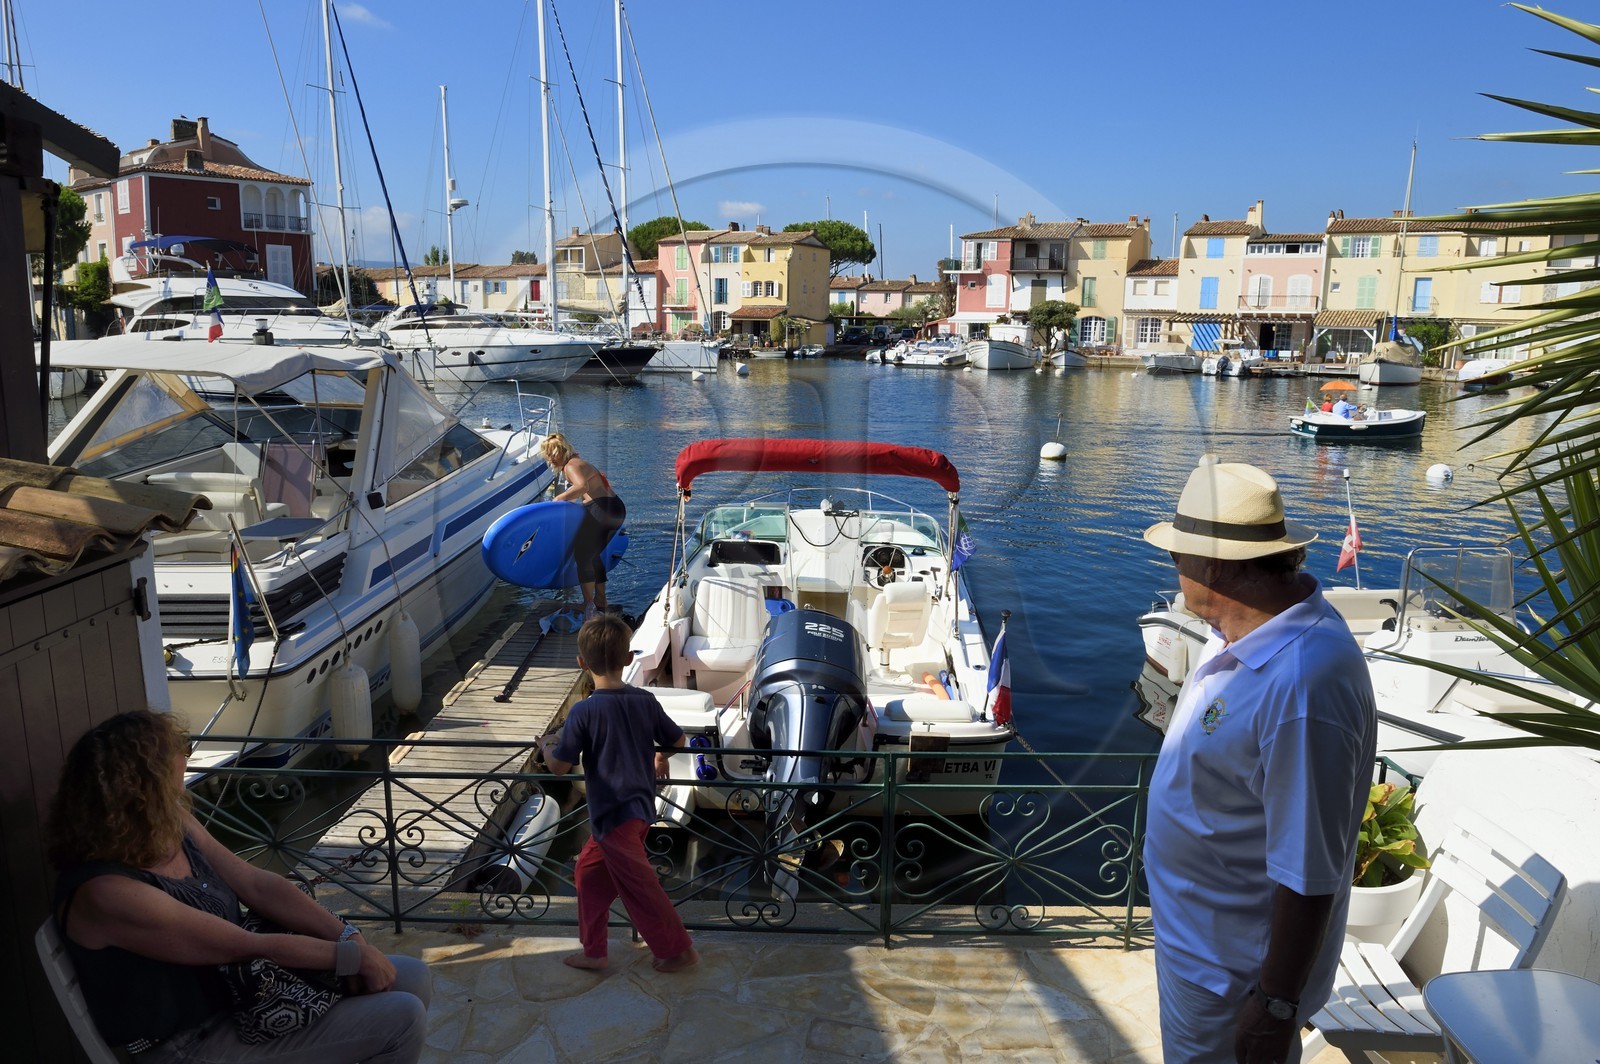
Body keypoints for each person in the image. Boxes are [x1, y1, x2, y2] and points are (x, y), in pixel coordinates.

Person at [1142, 456, 1376, 1064]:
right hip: (1199, 950)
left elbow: (1309, 871)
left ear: (1214, 564)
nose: (1173, 565)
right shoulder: (1242, 636)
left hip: (1231, 977)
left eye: (1176, 555)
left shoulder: (1303, 684)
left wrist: (1274, 1005)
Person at [46, 709, 432, 1062]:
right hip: (188, 1044)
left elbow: (257, 884)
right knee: (401, 1018)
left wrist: (349, 935)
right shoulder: (107, 892)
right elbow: (246, 946)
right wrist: (349, 957)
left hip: (243, 999)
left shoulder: (167, 825)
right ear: (143, 787)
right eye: (176, 758)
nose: (187, 762)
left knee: (410, 977)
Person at [539, 613, 696, 973]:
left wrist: (548, 744)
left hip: (613, 815)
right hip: (640, 808)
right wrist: (659, 754)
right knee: (587, 874)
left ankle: (679, 950)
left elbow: (559, 766)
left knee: (641, 888)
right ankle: (593, 951)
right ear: (628, 659)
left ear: (581, 663)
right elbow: (678, 740)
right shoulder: (644, 701)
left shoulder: (584, 711)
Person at [541, 431, 626, 620]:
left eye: (553, 453)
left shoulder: (571, 466)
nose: (551, 458)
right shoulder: (579, 463)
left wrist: (559, 499)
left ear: (563, 451)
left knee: (583, 555)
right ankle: (600, 601)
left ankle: (589, 606)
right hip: (615, 508)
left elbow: (582, 487)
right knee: (592, 555)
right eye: (548, 454)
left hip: (602, 509)